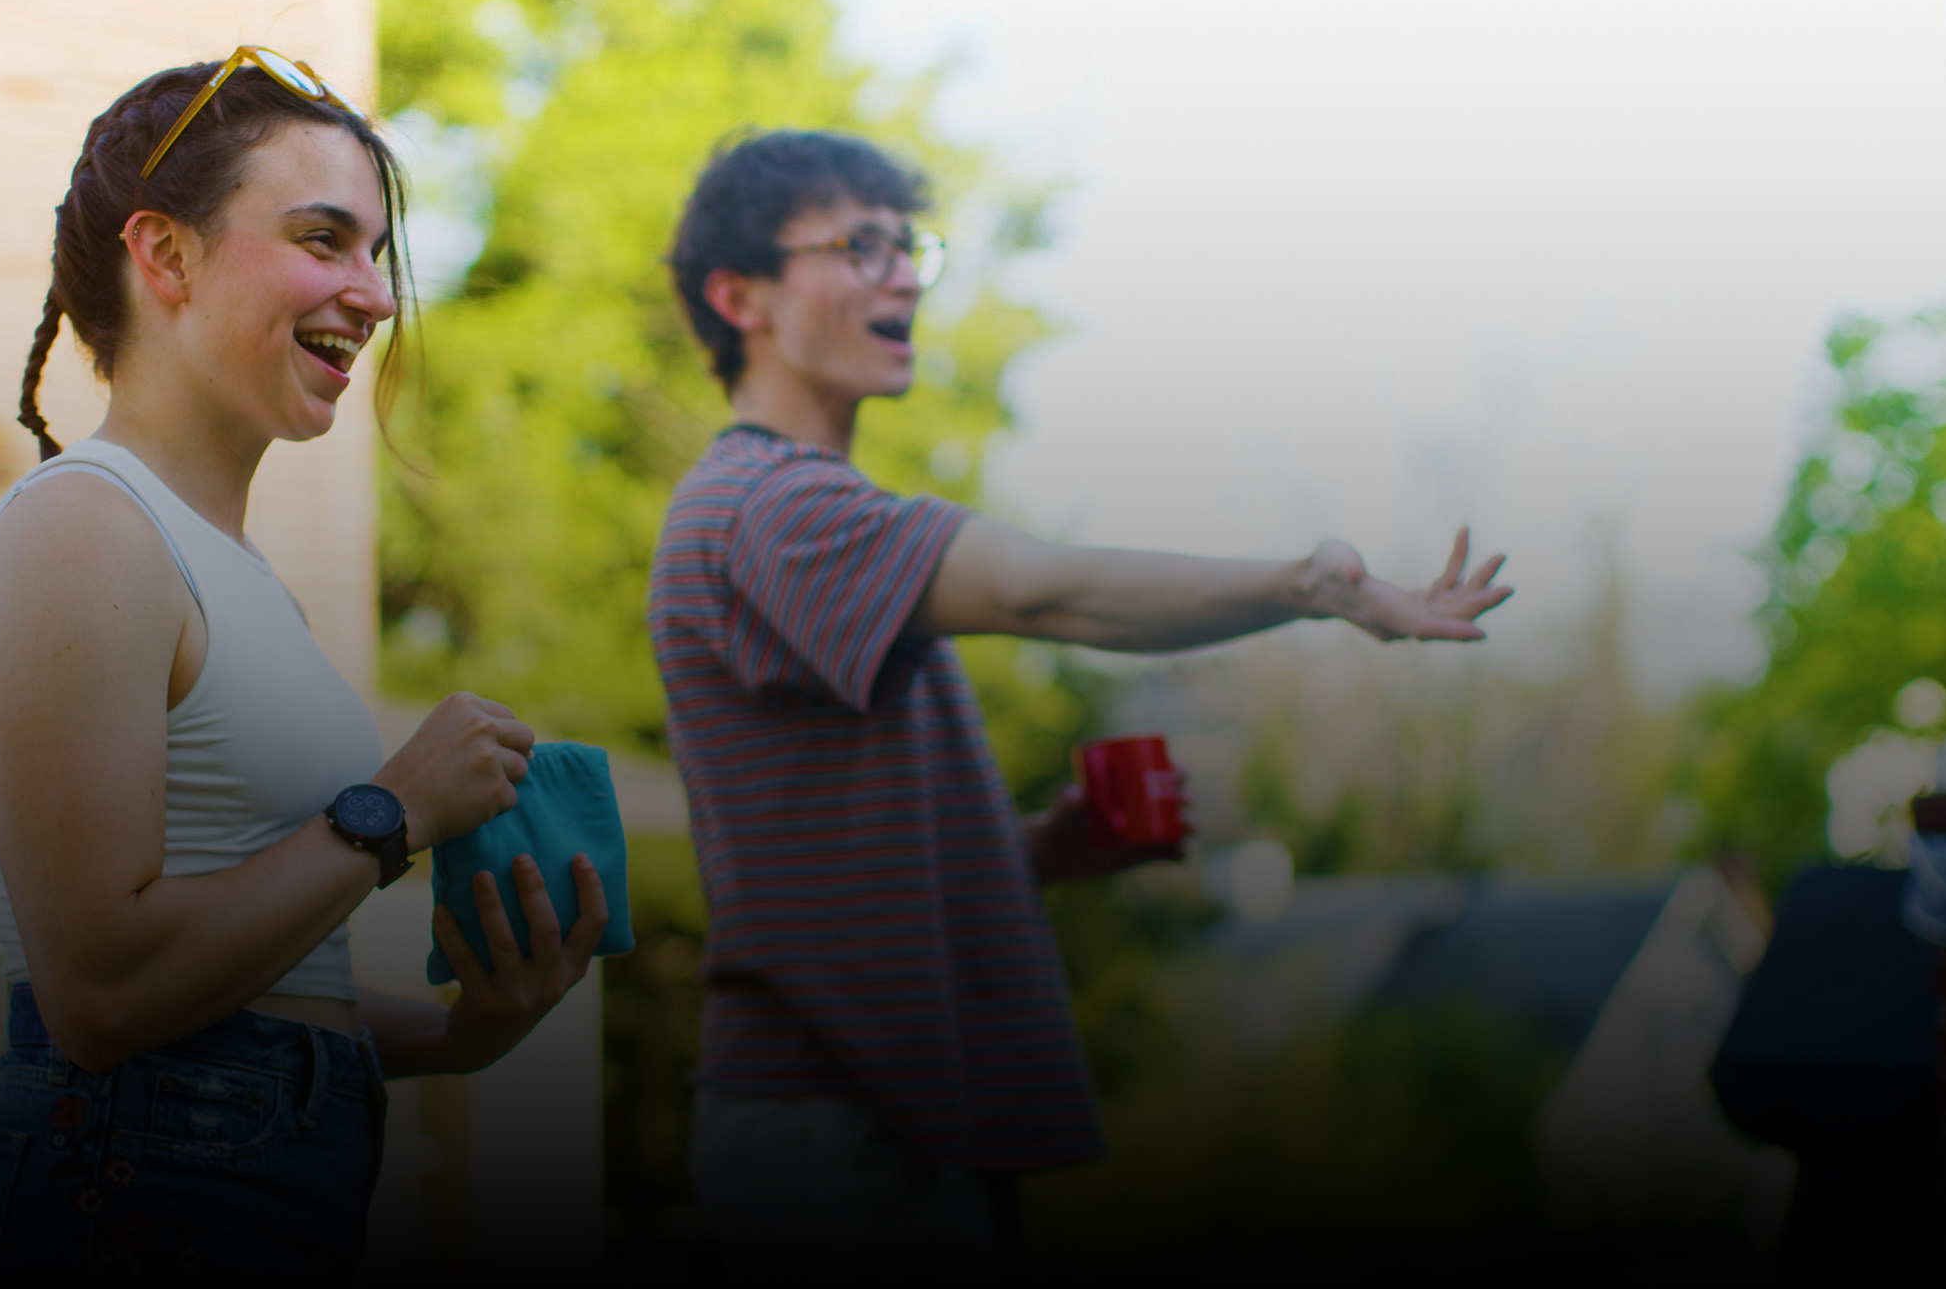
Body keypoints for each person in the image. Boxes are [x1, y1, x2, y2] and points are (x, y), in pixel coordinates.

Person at [648, 129, 1514, 1276]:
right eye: (859, 246)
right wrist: (1305, 585)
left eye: (909, 245)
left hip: (862, 1117)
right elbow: (1047, 591)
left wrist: (1035, 852)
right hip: (842, 1127)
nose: (902, 273)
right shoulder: (775, 507)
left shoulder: (773, 508)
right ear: (738, 294)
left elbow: (816, 855)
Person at [0, 49, 608, 1281]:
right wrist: (395, 809)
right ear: (167, 255)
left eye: (376, 253)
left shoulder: (236, 572)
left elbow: (259, 997)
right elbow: (100, 994)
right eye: (323, 237)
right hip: (125, 1196)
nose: (376, 292)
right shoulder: (85, 527)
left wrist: (463, 1034)